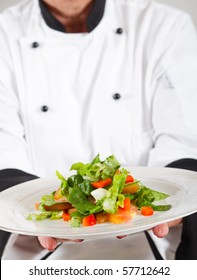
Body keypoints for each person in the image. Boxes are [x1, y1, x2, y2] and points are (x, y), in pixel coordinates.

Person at [0, 0, 197, 260]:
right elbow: (5, 151)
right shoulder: (5, 33)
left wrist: (175, 205)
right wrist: (45, 214)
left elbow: (184, 141)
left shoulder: (165, 26)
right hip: (34, 241)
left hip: (152, 238)